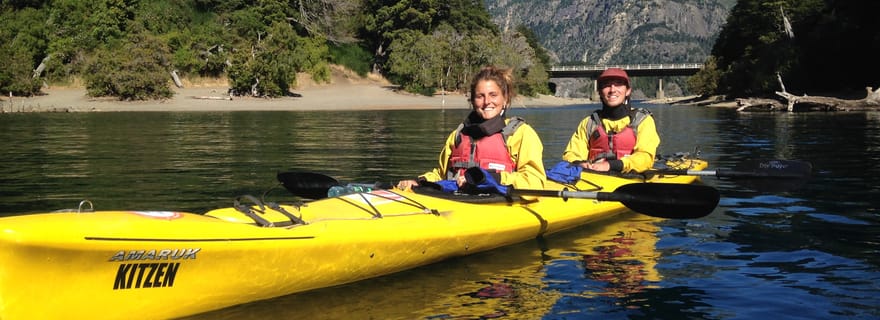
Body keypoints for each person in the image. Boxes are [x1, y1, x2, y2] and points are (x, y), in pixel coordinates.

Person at [397, 66, 546, 194]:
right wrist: (420, 181)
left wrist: (492, 179)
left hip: (499, 202)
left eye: (493, 95)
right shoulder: (457, 136)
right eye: (480, 96)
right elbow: (442, 175)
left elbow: (534, 182)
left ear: (505, 99)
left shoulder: (520, 134)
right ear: (473, 101)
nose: (487, 102)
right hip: (457, 199)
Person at [560, 68, 659, 174]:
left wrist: (610, 165)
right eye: (607, 85)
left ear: (628, 91)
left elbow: (645, 157)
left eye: (619, 84)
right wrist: (579, 163)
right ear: (600, 92)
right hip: (594, 177)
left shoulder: (643, 121)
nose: (612, 89)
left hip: (630, 178)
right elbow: (571, 154)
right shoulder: (589, 123)